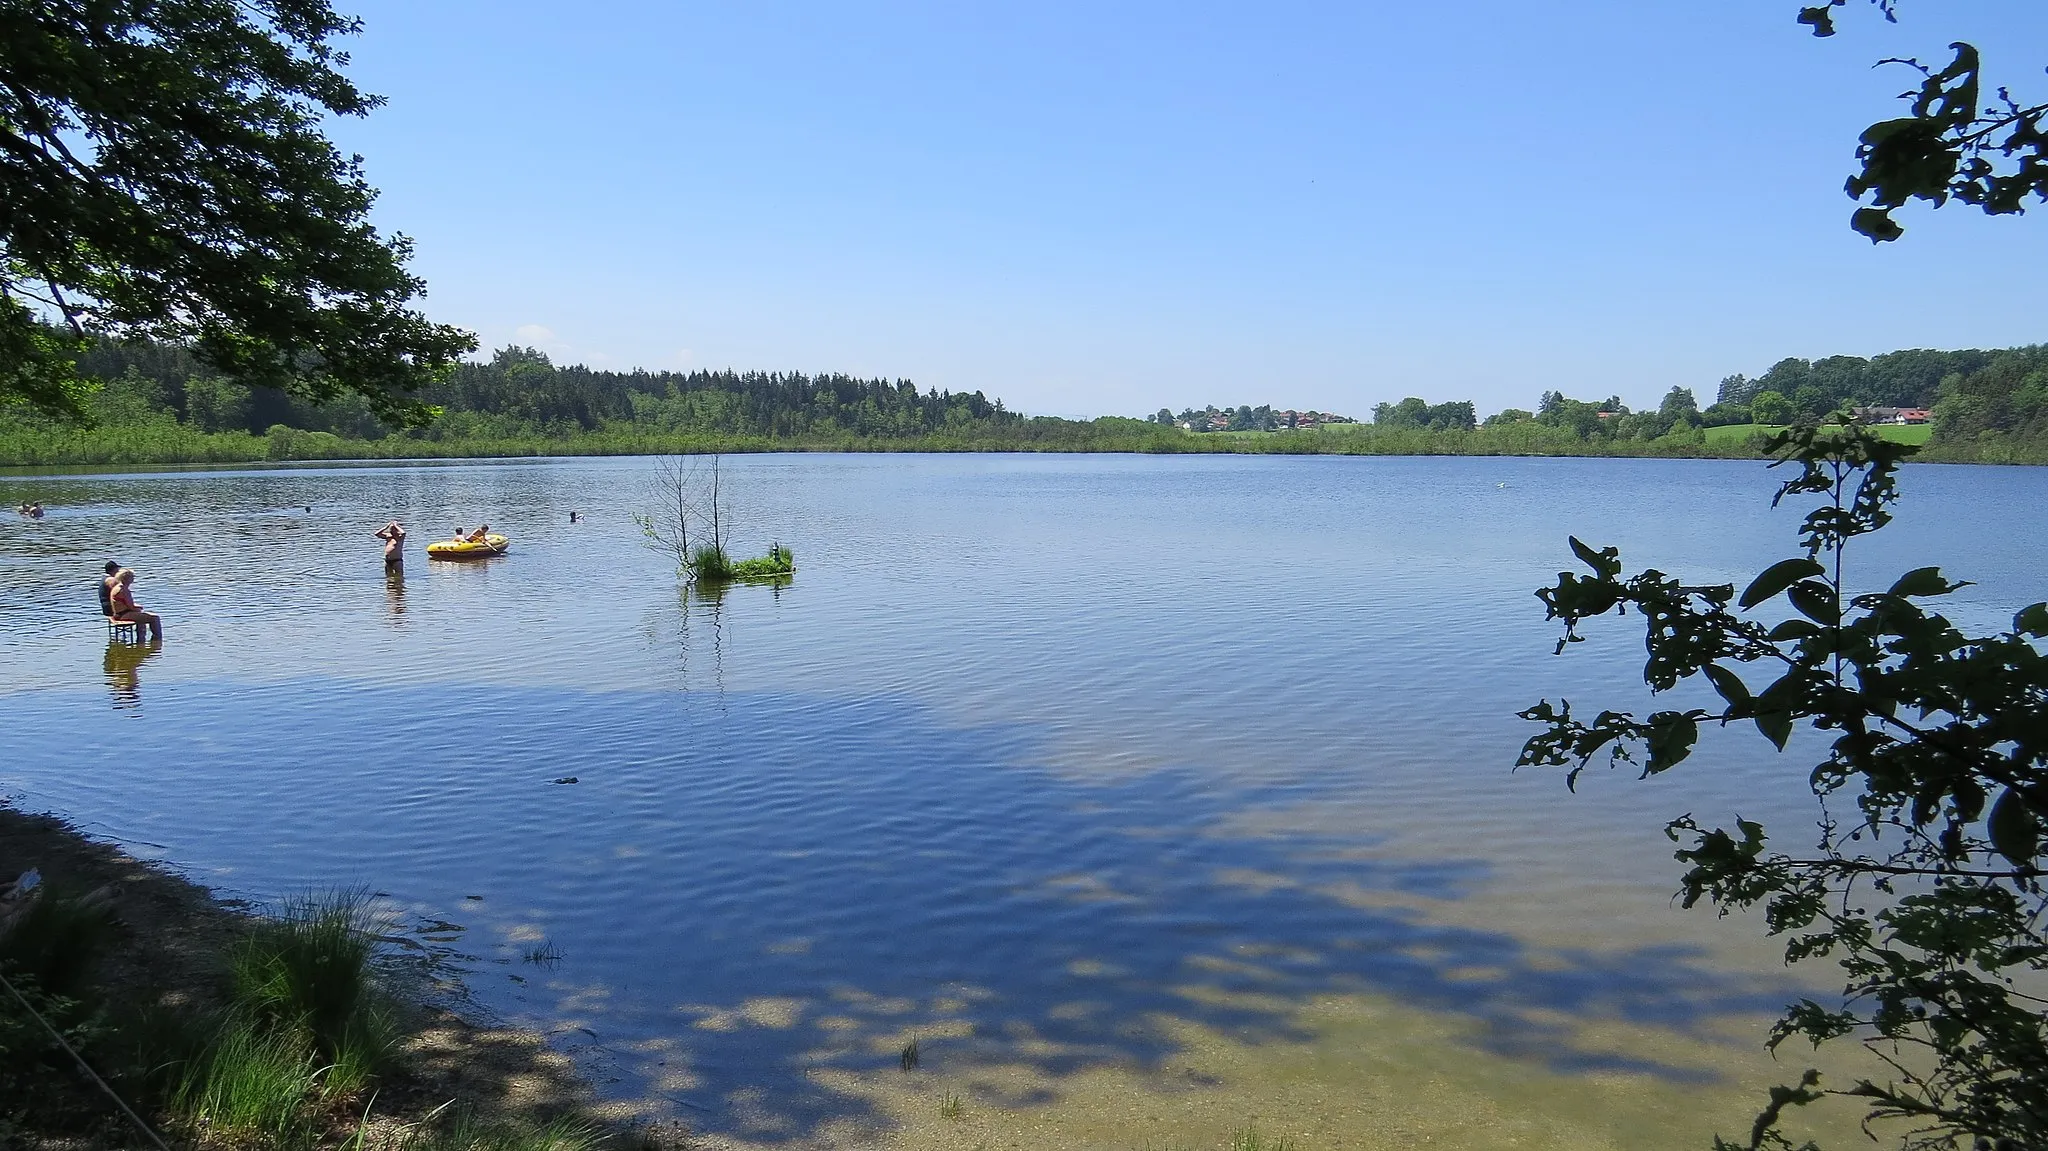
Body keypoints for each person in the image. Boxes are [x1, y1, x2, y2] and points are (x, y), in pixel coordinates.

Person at [108, 569, 163, 641]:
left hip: (119, 613)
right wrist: (139, 608)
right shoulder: (124, 590)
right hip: (123, 615)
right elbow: (131, 607)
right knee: (155, 618)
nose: (133, 578)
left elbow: (125, 604)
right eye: (132, 577)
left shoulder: (117, 587)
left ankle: (141, 640)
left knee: (141, 616)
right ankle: (157, 639)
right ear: (127, 578)